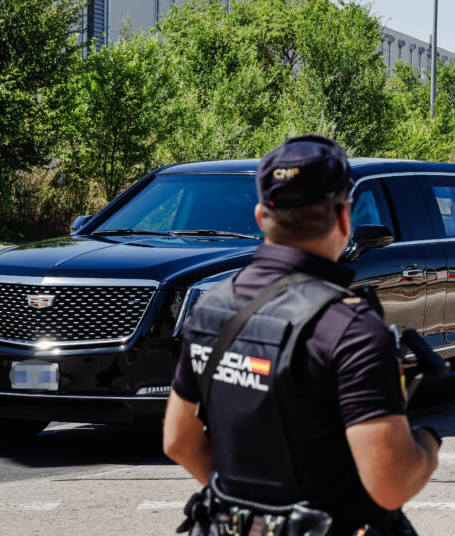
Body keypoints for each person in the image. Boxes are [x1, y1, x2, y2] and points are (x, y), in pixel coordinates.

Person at [163, 134, 440, 535]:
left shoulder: (212, 308)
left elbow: (178, 441)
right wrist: (428, 445)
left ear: (261, 217)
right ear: (345, 219)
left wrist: (253, 514)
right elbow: (389, 484)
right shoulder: (350, 328)